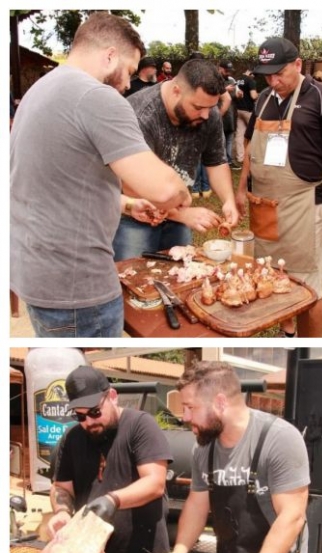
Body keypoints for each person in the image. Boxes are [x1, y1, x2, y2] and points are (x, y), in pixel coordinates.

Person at [10, 12, 191, 337]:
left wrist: (124, 204)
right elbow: (163, 189)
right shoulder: (96, 96)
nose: (126, 84)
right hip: (77, 287)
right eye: (129, 71)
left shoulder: (41, 89)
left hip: (38, 276)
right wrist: (184, 194)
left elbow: (56, 178)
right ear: (110, 55)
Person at [160, 362, 309, 553]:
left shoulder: (279, 439)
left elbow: (292, 517)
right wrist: (180, 551)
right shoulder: (205, 448)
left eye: (190, 407)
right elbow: (198, 503)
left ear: (219, 403)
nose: (184, 417)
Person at [236, 37, 322, 338]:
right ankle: (287, 331)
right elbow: (249, 146)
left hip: (302, 206)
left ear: (297, 64)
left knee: (308, 288)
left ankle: (311, 348)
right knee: (271, 273)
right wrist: (242, 189)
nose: (273, 80)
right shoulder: (264, 99)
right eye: (267, 75)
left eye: (279, 72)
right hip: (264, 206)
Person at [114, 58, 238, 260]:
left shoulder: (209, 112)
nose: (207, 115)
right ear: (176, 91)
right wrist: (182, 214)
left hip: (178, 214)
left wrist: (228, 201)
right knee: (135, 279)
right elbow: (132, 186)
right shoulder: (139, 114)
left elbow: (216, 161)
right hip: (134, 218)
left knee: (178, 277)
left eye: (211, 107)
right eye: (198, 107)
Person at [47, 366, 171, 553]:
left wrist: (113, 500)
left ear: (112, 396)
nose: (88, 422)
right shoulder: (71, 437)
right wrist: (61, 511)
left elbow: (155, 483)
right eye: (80, 416)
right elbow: (61, 487)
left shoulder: (140, 425)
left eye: (95, 412)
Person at [234, 66, 259, 168]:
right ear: (250, 73)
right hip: (248, 111)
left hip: (239, 110)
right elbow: (253, 96)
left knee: (240, 135)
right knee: (256, 133)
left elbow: (237, 94)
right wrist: (258, 95)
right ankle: (255, 158)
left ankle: (240, 159)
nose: (254, 77)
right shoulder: (250, 81)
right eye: (254, 75)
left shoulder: (239, 80)